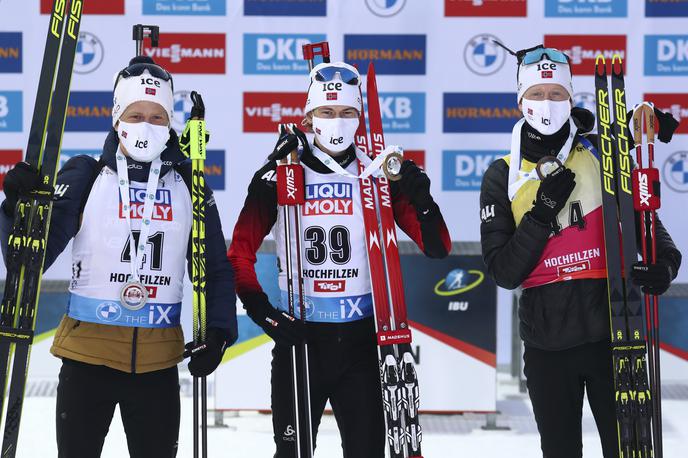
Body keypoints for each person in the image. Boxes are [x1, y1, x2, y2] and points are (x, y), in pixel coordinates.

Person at [0, 56, 237, 458]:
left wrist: (218, 333)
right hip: (86, 360)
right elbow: (27, 260)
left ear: (171, 124)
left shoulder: (190, 186)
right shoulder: (85, 175)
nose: (146, 125)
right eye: (136, 114)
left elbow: (214, 269)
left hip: (158, 364)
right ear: (116, 119)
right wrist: (17, 207)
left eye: (158, 117)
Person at [228, 61, 451, 457]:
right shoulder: (283, 171)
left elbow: (437, 246)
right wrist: (264, 314)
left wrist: (422, 199)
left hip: (364, 342)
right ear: (308, 116)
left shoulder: (378, 172)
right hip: (302, 340)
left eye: (348, 112)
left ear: (360, 117)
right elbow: (239, 252)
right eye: (326, 112)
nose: (337, 121)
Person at [479, 45, 682, 458]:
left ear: (571, 98)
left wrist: (665, 264)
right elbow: (504, 271)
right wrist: (541, 213)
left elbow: (646, 225)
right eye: (537, 94)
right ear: (520, 100)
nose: (547, 104)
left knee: (630, 450)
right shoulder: (503, 174)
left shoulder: (601, 152)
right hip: (547, 344)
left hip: (614, 333)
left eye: (557, 94)